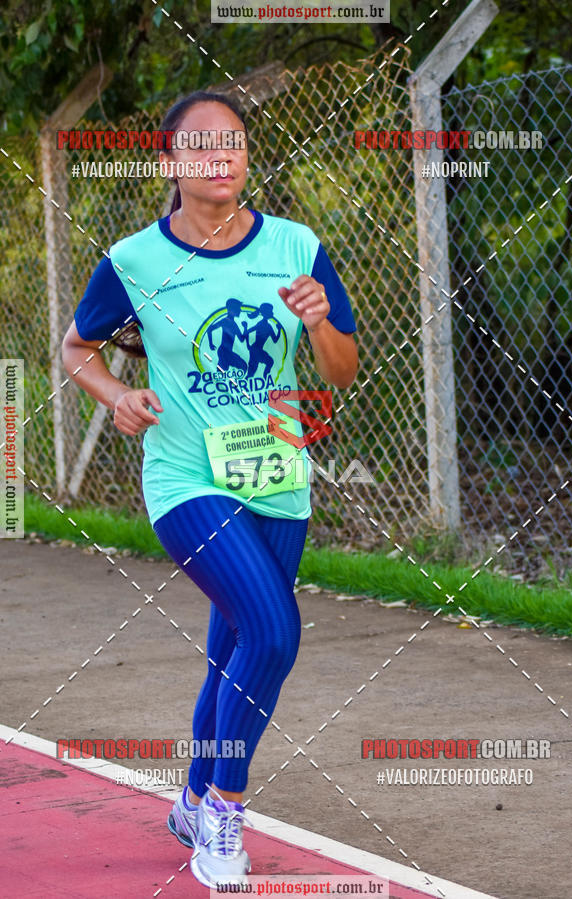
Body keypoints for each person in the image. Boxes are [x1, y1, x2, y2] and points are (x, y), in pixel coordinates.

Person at [61, 90, 358, 888]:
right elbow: (76, 345)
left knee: (233, 654)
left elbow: (341, 369)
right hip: (185, 479)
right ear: (172, 163)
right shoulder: (134, 261)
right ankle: (224, 813)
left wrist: (322, 319)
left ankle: (191, 797)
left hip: (277, 477)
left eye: (234, 142)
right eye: (202, 144)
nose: (220, 155)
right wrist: (115, 396)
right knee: (273, 632)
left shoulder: (297, 245)